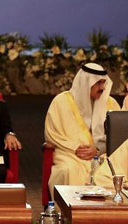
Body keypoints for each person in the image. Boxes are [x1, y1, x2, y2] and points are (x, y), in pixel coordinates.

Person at [45, 63, 120, 196]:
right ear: (86, 83)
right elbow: (52, 133)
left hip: (103, 154)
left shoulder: (111, 103)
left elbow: (119, 134)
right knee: (69, 170)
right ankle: (71, 208)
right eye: (98, 83)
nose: (103, 87)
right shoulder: (61, 102)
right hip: (70, 154)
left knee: (112, 171)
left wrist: (98, 149)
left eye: (104, 83)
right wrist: (76, 148)